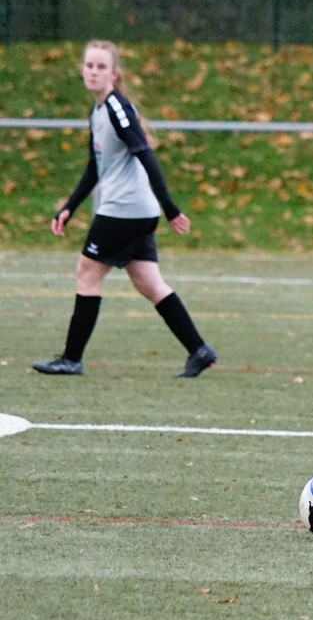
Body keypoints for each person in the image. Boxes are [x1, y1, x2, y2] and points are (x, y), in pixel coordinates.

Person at [32, 40, 216, 378]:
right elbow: (95, 166)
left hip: (124, 209)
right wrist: (68, 208)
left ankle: (71, 358)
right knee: (149, 282)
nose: (93, 72)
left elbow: (146, 154)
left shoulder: (117, 107)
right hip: (135, 211)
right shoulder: (98, 110)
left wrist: (171, 208)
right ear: (82, 70)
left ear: (114, 74)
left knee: (87, 271)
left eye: (101, 67)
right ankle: (199, 350)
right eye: (89, 65)